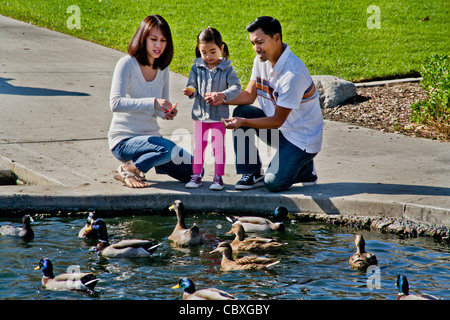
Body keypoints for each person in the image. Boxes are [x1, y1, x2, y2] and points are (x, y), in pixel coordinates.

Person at [221, 16, 323, 192]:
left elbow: (277, 121)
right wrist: (221, 97)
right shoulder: (261, 61)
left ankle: (305, 168)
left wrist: (243, 123)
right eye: (253, 43)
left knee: (273, 183)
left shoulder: (293, 75)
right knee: (242, 110)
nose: (255, 49)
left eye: (259, 42)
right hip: (282, 131)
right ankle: (251, 172)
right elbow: (248, 96)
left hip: (301, 140)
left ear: (277, 37)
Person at [108, 15, 195, 188]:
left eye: (163, 40)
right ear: (142, 38)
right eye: (153, 39)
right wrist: (153, 102)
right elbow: (115, 103)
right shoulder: (127, 64)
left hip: (153, 140)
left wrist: (166, 112)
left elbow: (158, 108)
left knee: (195, 172)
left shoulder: (162, 68)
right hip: (124, 140)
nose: (158, 45)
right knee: (167, 149)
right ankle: (129, 168)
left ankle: (141, 165)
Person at [183, 27, 241, 191]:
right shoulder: (196, 67)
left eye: (213, 51)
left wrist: (222, 95)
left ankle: (218, 178)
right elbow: (192, 84)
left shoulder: (227, 68)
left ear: (222, 48)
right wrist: (190, 91)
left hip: (218, 117)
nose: (208, 56)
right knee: (199, 147)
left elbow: (236, 87)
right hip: (200, 116)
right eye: (204, 52)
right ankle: (196, 176)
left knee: (218, 148)